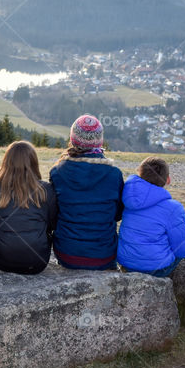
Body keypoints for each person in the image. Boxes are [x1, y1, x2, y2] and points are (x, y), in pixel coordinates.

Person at [48, 114, 123, 270]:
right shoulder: (114, 174)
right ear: (100, 140)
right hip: (104, 254)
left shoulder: (57, 172)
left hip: (66, 253)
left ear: (73, 139)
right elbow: (117, 214)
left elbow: (53, 214)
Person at [117, 157, 185, 288]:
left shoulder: (126, 197)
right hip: (155, 270)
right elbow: (182, 249)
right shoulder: (173, 208)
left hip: (125, 263)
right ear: (168, 180)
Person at [0, 141, 58, 274]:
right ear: (33, 162)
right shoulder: (46, 190)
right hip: (37, 262)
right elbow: (54, 223)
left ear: (6, 162)